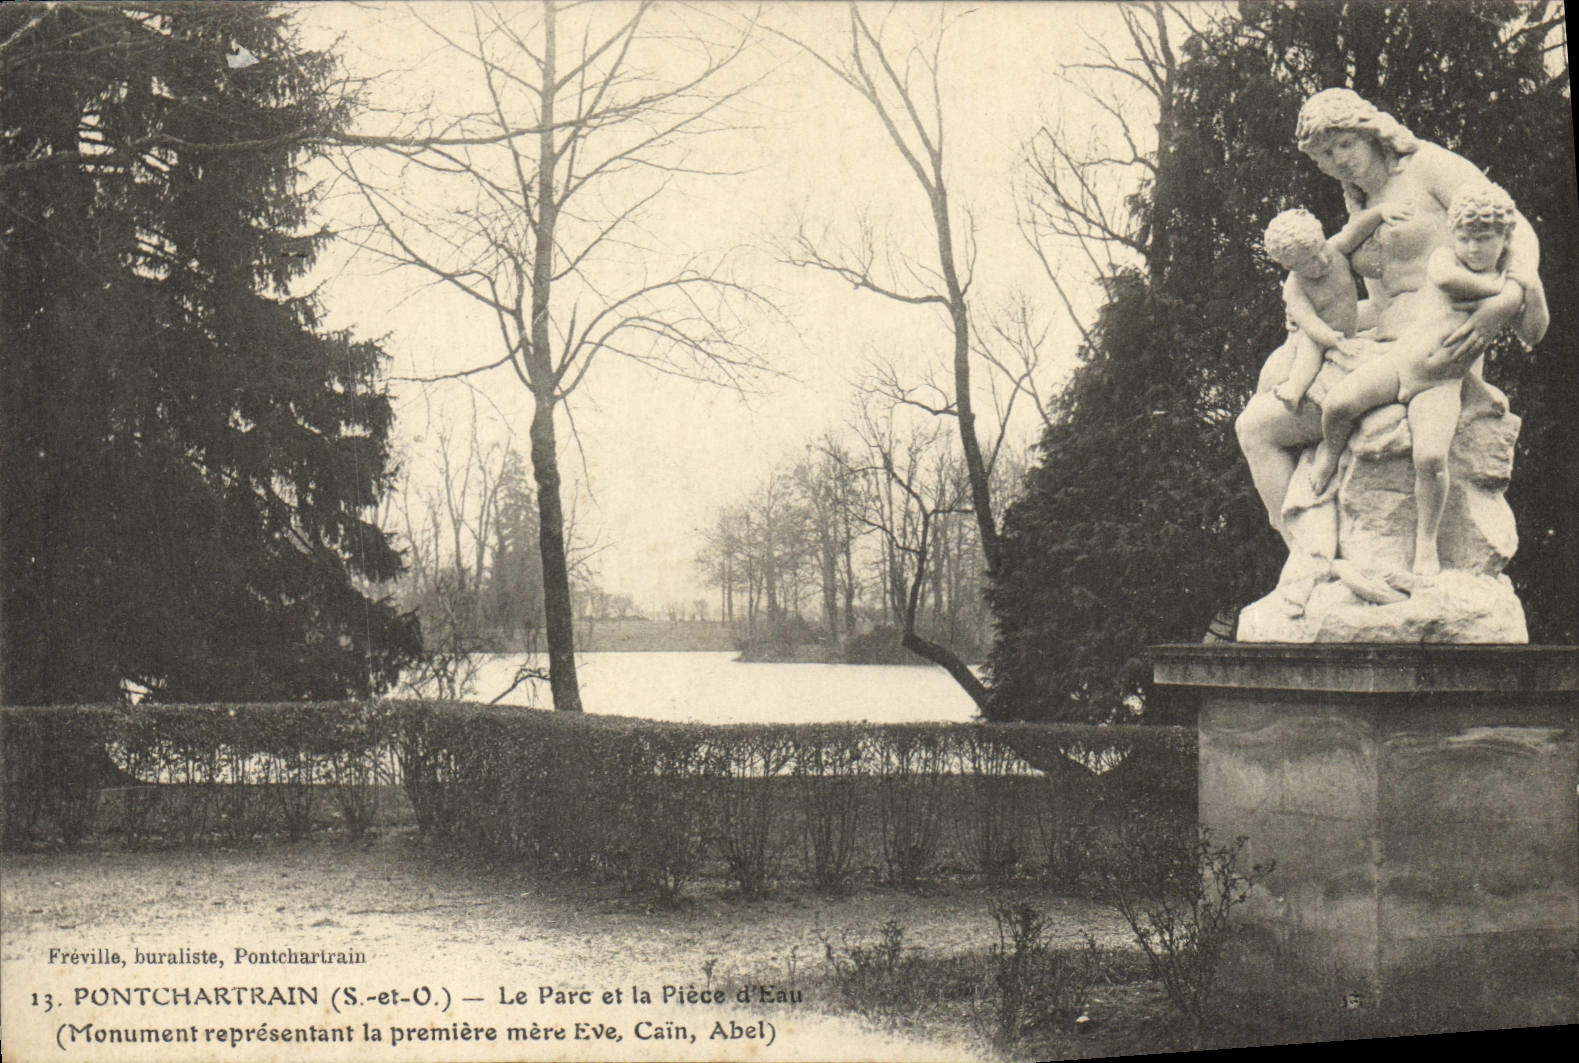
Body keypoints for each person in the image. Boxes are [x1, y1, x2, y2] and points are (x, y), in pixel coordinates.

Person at [1234, 88, 1547, 553]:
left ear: (1370, 131)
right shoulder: (1361, 201)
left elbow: (1513, 224)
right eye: (1324, 154)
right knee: (1276, 371)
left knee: (1257, 427)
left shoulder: (1427, 166)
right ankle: (1310, 557)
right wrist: (1315, 323)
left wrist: (1510, 296)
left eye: (1344, 144)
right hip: (1387, 333)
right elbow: (1383, 296)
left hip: (1436, 340)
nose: (1339, 160)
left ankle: (1310, 559)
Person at [1307, 183, 1546, 576]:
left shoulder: (1512, 284)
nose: (1471, 248)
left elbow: (1533, 333)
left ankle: (1426, 543)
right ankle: (1330, 454)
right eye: (1464, 238)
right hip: (1400, 364)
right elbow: (1452, 281)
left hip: (1441, 384)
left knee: (1432, 459)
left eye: (1483, 239)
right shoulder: (1445, 260)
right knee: (1337, 405)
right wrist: (1508, 290)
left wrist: (1531, 288)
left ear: (1505, 239)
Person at [1259, 202, 1414, 409]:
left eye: (1321, 248)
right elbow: (1311, 323)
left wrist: (1379, 211)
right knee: (1309, 351)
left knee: (1384, 312)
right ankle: (1294, 389)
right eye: (1310, 261)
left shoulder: (1336, 250)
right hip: (1320, 335)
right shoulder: (1294, 289)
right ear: (1291, 266)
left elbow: (1355, 230)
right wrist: (1336, 341)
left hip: (1350, 321)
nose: (1323, 260)